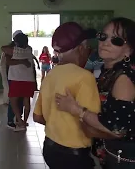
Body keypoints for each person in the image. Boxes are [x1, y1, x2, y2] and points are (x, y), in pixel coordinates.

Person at [55, 17, 135, 169]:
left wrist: (76, 110)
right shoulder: (108, 72)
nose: (105, 43)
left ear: (129, 50)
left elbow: (117, 129)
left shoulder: (123, 79)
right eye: (103, 36)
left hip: (123, 159)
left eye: (116, 40)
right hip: (108, 153)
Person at [33, 22, 104, 169]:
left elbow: (38, 117)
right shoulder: (85, 77)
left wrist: (59, 124)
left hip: (50, 149)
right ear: (81, 48)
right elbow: (90, 128)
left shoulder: (51, 74)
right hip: (74, 156)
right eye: (88, 49)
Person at [2, 33, 35, 132]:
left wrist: (19, 61)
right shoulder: (29, 49)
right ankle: (24, 122)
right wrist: (23, 61)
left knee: (13, 100)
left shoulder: (15, 50)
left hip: (17, 79)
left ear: (16, 41)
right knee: (26, 100)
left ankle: (20, 121)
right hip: (29, 79)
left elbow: (3, 48)